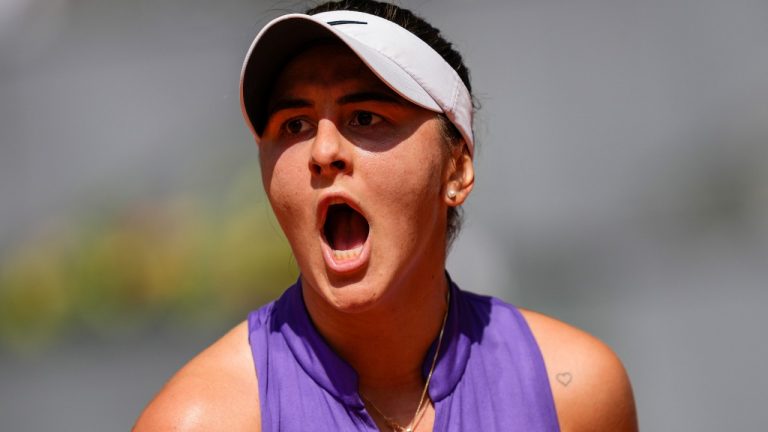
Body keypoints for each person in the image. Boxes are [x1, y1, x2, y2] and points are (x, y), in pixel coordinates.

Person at [134, 1, 638, 431]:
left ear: (457, 169)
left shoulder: (572, 392)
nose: (323, 149)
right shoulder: (202, 419)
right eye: (295, 124)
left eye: (366, 118)